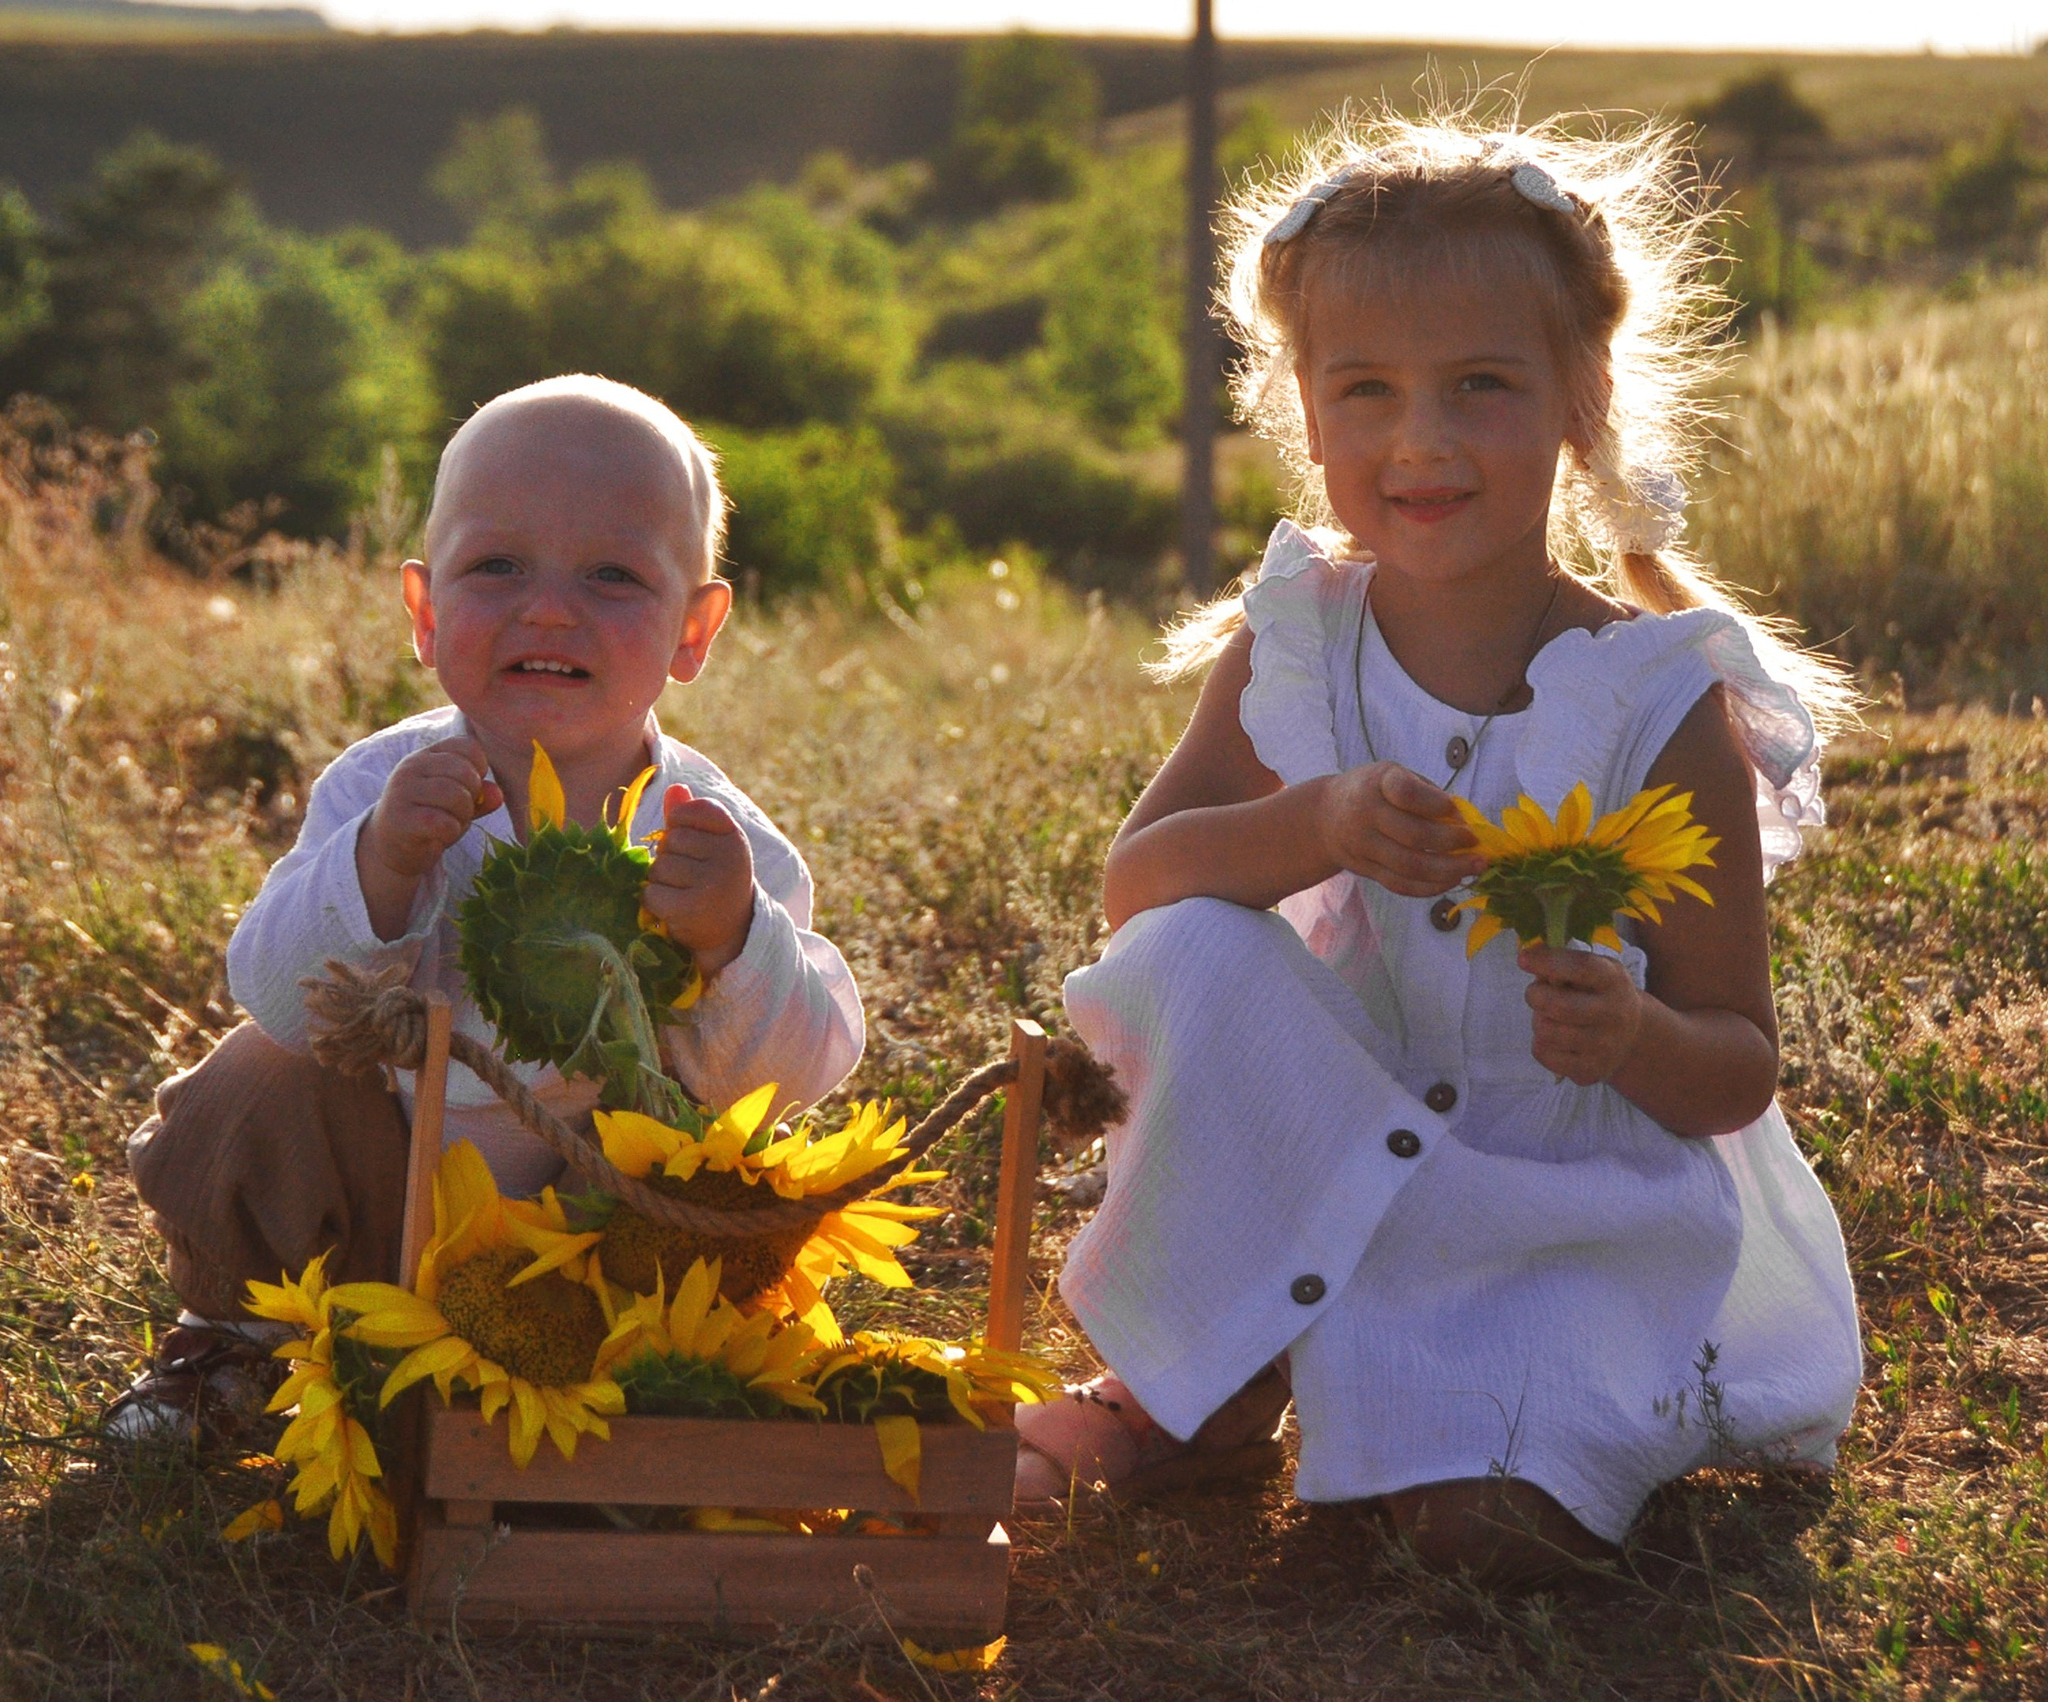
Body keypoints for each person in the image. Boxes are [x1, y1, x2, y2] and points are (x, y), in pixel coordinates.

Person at [1012, 113, 1864, 1587]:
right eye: (1369, 391)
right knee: (1198, 941)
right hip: (1329, 1145)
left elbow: (1738, 1059)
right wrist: (1313, 823)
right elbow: (1135, 893)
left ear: (1576, 403)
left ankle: (1483, 1391)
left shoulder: (1655, 700)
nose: (1423, 439)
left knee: (1475, 1545)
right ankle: (1198, 1389)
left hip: (1557, 1199)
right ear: (1307, 413)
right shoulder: (1299, 641)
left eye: (1482, 385)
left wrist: (1638, 1030)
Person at [108, 375, 864, 1443]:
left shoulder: (712, 838)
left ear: (694, 631)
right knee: (255, 1081)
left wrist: (735, 941)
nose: (547, 607)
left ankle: (635, 1412)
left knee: (721, 1183)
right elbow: (276, 996)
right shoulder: (379, 787)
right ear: (424, 611)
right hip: (372, 1213)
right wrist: (377, 869)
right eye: (496, 565)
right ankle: (238, 1341)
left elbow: (798, 1071)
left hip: (592, 1245)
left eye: (611, 575)